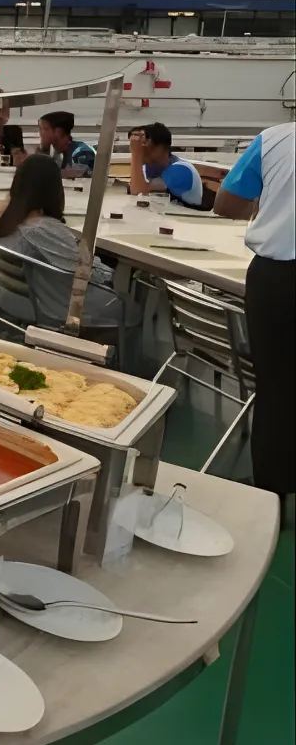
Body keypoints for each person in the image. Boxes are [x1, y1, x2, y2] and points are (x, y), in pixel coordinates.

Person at [213, 122, 294, 500]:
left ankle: (272, 494)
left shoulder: (275, 139)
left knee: (276, 389)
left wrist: (272, 204)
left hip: (277, 281)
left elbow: (225, 203)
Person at [0, 154, 124, 328]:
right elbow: (91, 272)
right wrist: (115, 272)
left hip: (9, 301)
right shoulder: (42, 229)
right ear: (54, 189)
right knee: (133, 303)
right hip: (57, 309)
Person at [128, 122, 209, 210]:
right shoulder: (150, 167)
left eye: (142, 142)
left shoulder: (181, 170)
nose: (138, 147)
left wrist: (136, 155)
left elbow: (139, 192)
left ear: (160, 147)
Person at [37, 111, 95, 176]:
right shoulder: (54, 153)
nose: (40, 133)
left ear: (58, 132)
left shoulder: (80, 153)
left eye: (44, 129)